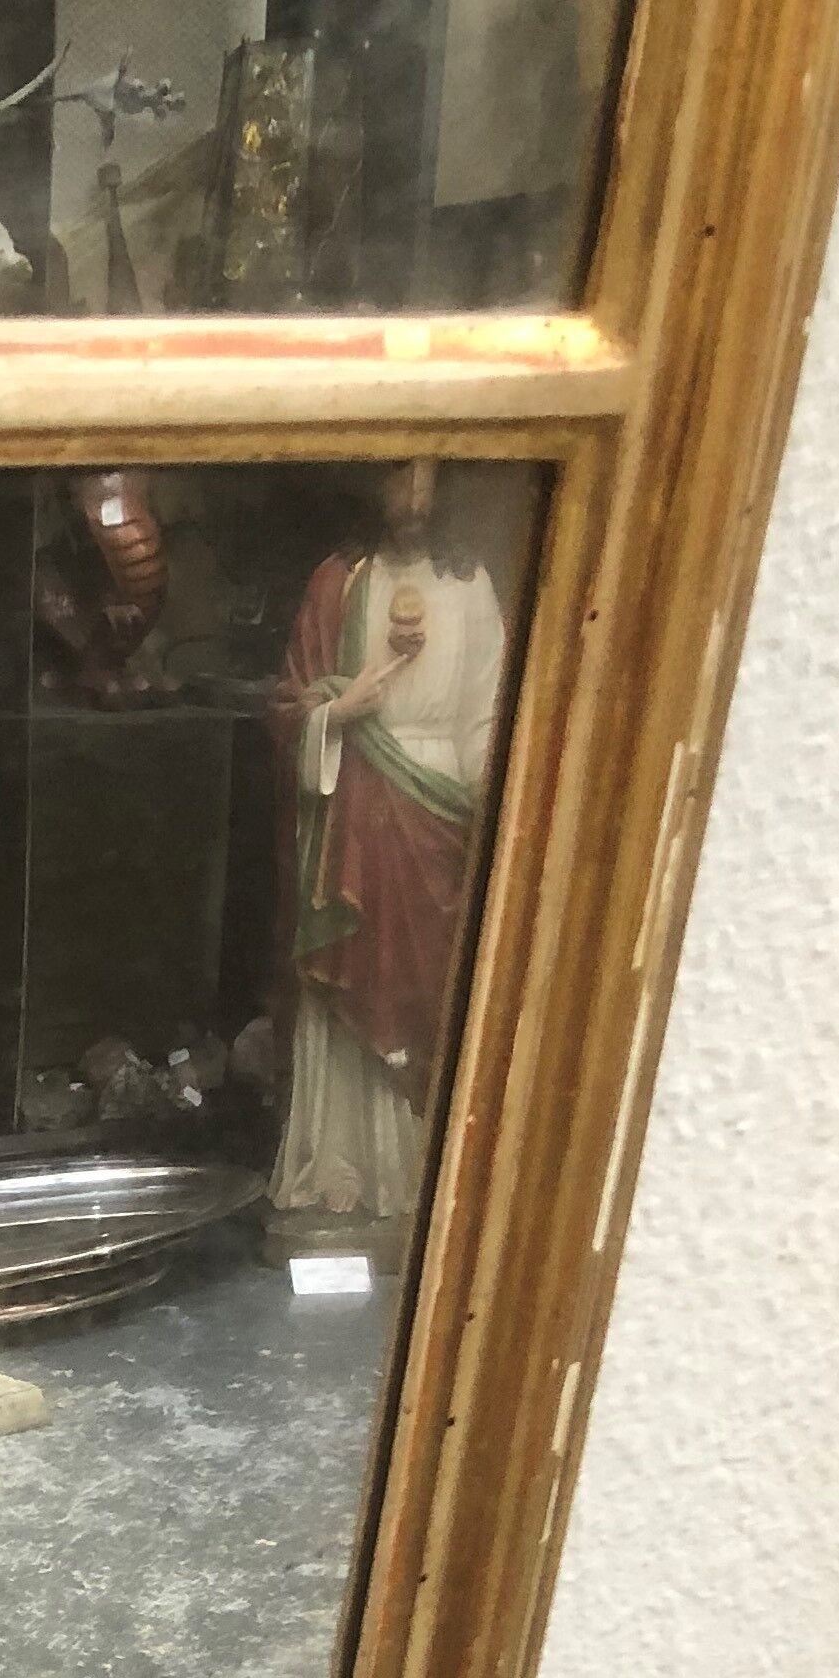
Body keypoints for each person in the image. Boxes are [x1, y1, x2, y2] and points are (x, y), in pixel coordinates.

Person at [271, 460, 506, 1232]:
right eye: (399, 479)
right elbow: (291, 704)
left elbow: (486, 710)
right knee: (348, 972)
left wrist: (485, 810)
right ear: (373, 484)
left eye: (428, 480)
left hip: (439, 801)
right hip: (354, 803)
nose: (412, 499)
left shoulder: (469, 587)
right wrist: (335, 715)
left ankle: (414, 1177)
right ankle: (337, 1169)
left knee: (431, 985)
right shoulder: (338, 581)